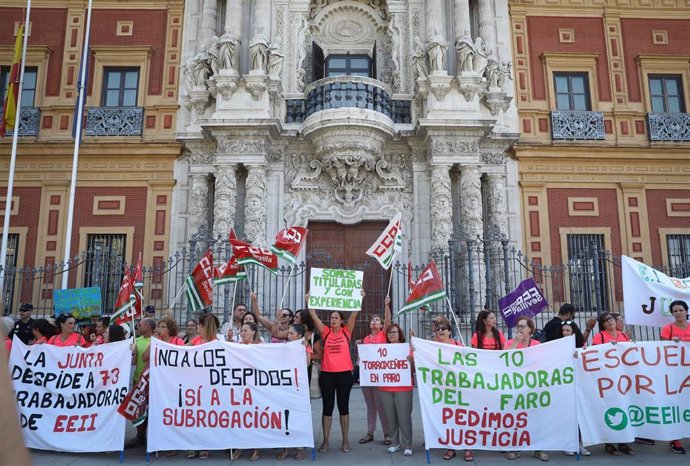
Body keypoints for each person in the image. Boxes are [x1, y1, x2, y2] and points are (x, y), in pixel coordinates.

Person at [307, 292, 360, 454]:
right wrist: (310, 302)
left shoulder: (346, 331)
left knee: (344, 407)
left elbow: (354, 314)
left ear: (341, 321)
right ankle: (325, 441)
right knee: (327, 408)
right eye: (331, 317)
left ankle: (345, 441)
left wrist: (359, 298)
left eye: (336, 317)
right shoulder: (326, 332)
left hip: (344, 375)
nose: (333, 319)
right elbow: (314, 317)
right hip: (327, 375)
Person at [589, 312, 635, 457]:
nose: (610, 322)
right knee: (609, 408)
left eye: (611, 319)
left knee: (624, 407)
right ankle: (609, 443)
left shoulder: (623, 335)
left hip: (623, 377)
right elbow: (595, 355)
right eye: (606, 320)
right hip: (607, 378)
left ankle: (623, 442)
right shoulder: (600, 336)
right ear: (602, 324)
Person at [504, 317, 548, 462]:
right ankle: (514, 448)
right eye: (518, 326)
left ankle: (538, 448)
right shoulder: (510, 343)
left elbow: (545, 363)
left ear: (530, 329)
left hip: (532, 387)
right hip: (514, 387)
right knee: (516, 418)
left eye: (523, 326)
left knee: (535, 418)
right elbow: (503, 359)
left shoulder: (536, 344)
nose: (520, 329)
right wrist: (516, 342)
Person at [358, 296, 392, 446]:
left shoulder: (383, 335)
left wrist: (386, 305)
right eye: (372, 320)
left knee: (381, 405)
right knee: (370, 405)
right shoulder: (365, 339)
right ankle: (370, 431)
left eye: (377, 320)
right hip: (367, 377)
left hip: (379, 376)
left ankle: (387, 433)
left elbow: (388, 321)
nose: (374, 322)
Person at [378, 322, 414, 456]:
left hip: (403, 387)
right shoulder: (381, 349)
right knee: (390, 417)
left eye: (394, 332)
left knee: (404, 417)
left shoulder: (407, 349)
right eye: (390, 332)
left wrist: (411, 361)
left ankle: (408, 444)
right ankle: (395, 443)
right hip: (385, 387)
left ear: (400, 335)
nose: (392, 334)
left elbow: (414, 371)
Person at [188, 313, 220, 460]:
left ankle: (205, 445)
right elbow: (179, 350)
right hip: (194, 383)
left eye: (199, 325)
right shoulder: (196, 340)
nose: (197, 328)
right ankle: (194, 445)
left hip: (209, 385)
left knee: (206, 416)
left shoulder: (216, 342)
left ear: (204, 326)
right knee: (194, 416)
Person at [661, 299, 689, 454]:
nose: (678, 313)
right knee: (676, 405)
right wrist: (672, 343)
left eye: (681, 310)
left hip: (688, 372)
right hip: (674, 373)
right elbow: (662, 350)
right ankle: (674, 439)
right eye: (675, 311)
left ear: (686, 311)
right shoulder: (668, 329)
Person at [232, 321, 262, 461]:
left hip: (256, 388)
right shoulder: (237, 347)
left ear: (253, 332)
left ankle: (256, 448)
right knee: (241, 417)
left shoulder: (261, 347)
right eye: (241, 331)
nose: (242, 333)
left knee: (255, 417)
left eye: (245, 331)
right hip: (240, 388)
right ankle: (240, 446)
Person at [125, 317, 155, 449]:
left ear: (148, 327)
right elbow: (133, 363)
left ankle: (150, 435)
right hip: (138, 380)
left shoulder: (156, 340)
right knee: (138, 410)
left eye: (141, 325)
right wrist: (133, 354)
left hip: (152, 382)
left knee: (151, 410)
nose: (138, 327)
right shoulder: (136, 340)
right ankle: (140, 436)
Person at [294, 309, 322, 385]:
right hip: (292, 368)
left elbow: (319, 355)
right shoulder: (291, 333)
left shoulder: (313, 337)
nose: (294, 319)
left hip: (306, 370)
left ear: (303, 319)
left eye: (297, 317)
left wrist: (306, 356)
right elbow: (276, 334)